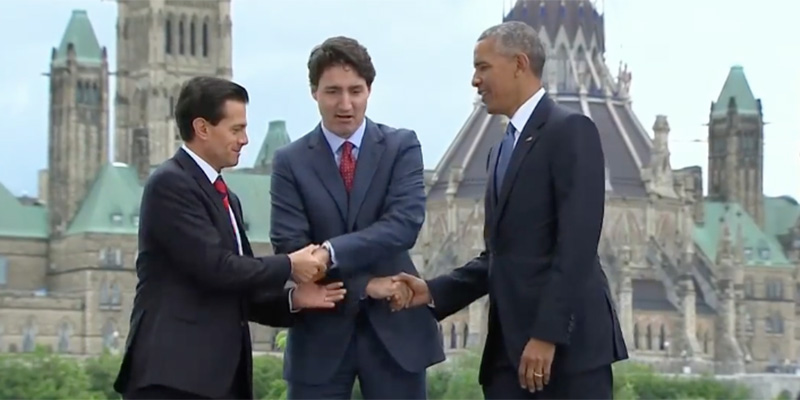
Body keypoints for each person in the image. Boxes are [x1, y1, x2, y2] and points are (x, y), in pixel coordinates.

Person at [391, 21, 628, 399]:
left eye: (483, 67)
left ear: (519, 64)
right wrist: (433, 291)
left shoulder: (571, 130)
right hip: (509, 353)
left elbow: (577, 246)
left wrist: (547, 335)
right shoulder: (499, 150)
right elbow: (499, 256)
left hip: (567, 354)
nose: (475, 80)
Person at [113, 76, 348, 400]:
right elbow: (217, 268)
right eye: (236, 129)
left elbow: (241, 287)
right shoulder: (170, 184)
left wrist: (294, 300)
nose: (245, 140)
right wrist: (289, 265)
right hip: (174, 378)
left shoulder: (226, 198)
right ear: (202, 128)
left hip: (218, 381)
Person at [268, 36, 444, 399]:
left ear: (369, 91)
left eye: (355, 91)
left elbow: (403, 226)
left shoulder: (401, 147)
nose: (345, 104)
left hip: (396, 335)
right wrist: (365, 286)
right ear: (314, 93)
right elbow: (292, 248)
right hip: (319, 341)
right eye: (333, 91)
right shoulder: (290, 162)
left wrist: (330, 252)